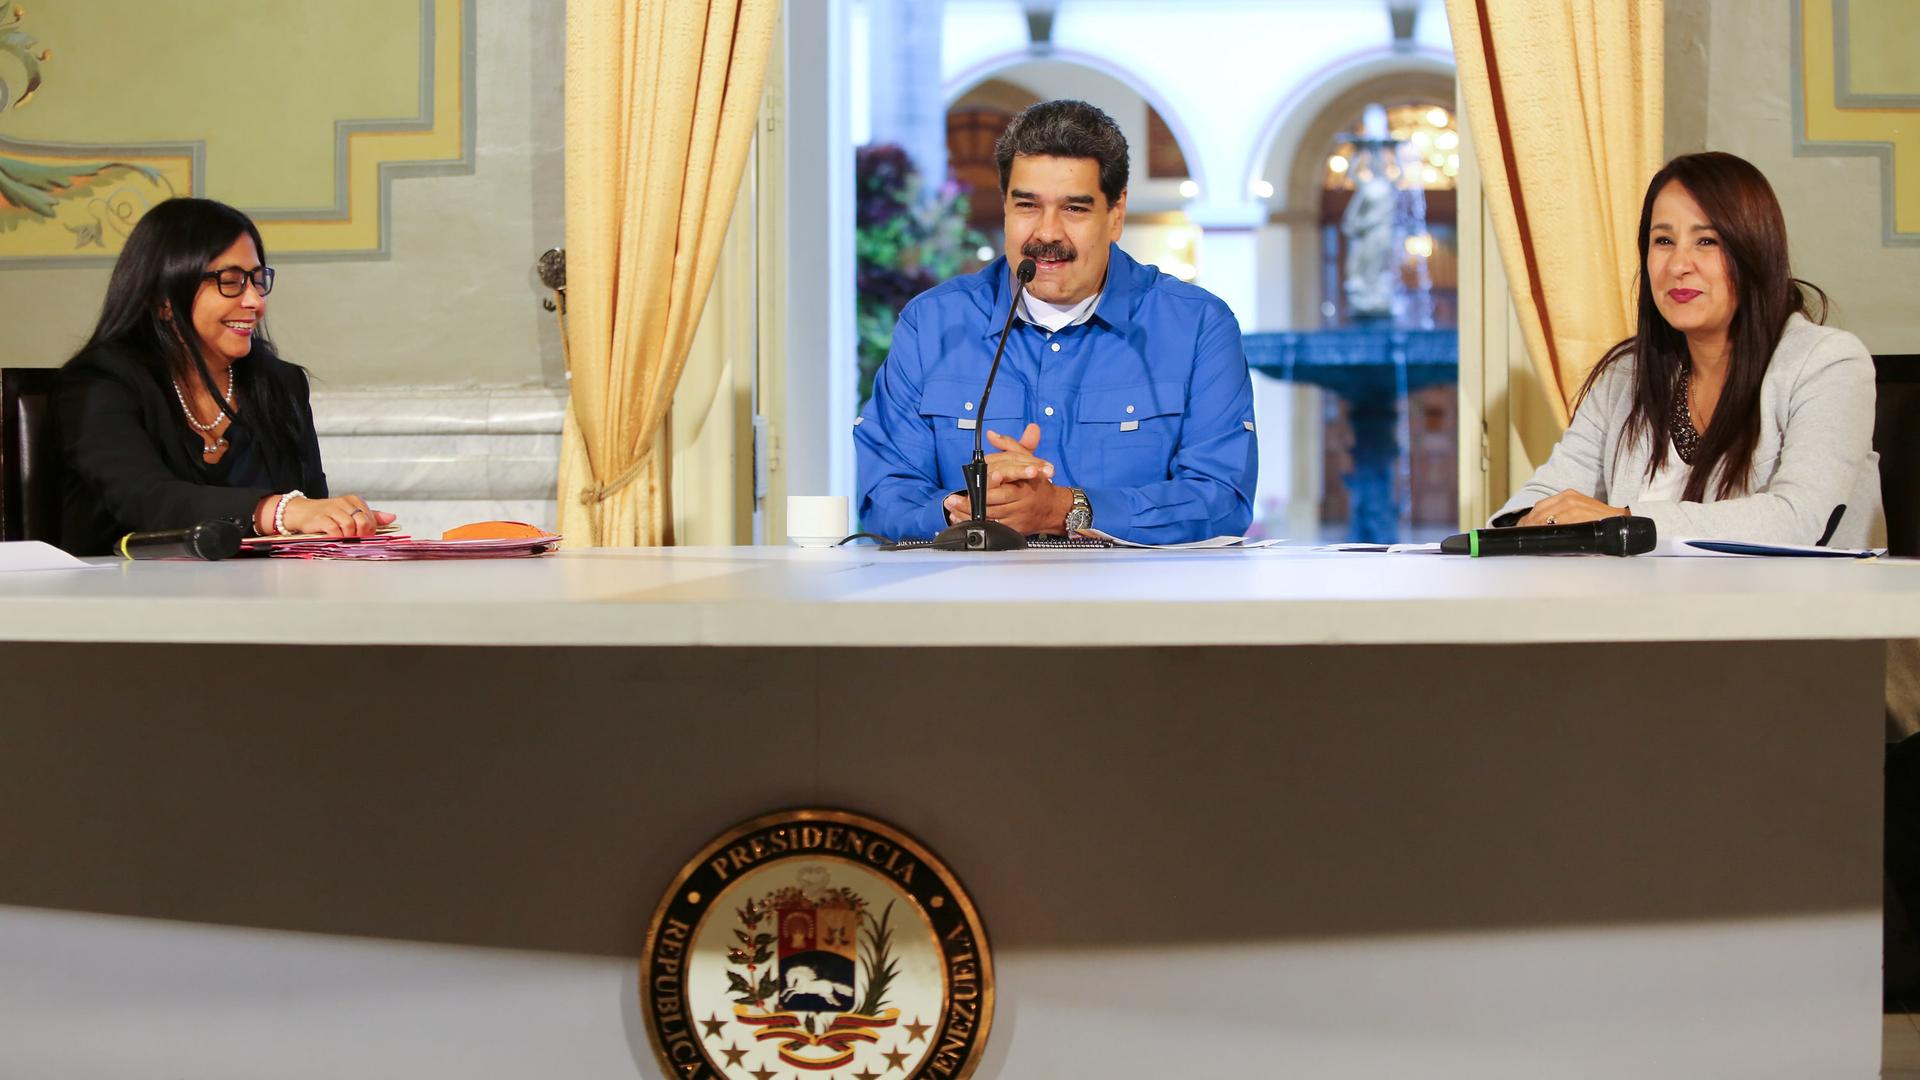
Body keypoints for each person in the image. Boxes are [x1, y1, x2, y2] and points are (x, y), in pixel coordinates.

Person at [855, 99, 1257, 544]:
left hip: (1138, 606)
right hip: (968, 606)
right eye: (1027, 206)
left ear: (1116, 214)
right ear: (1006, 206)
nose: (1047, 233)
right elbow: (883, 496)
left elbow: (1222, 499)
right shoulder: (931, 325)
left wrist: (1065, 509)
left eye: (1074, 209)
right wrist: (965, 511)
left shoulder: (1198, 326)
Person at [1495, 151, 1879, 547]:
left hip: (1795, 606)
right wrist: (1527, 524)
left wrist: (1624, 520)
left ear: (1753, 252)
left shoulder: (1828, 363)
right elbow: (1543, 496)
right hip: (1640, 606)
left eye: (1707, 241)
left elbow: (1799, 518)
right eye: (1663, 241)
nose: (1678, 264)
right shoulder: (1626, 373)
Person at [57, 197, 393, 555]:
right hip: (121, 599)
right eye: (230, 282)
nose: (254, 302)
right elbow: (145, 499)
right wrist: (278, 510)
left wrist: (340, 522)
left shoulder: (281, 385)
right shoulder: (101, 382)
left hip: (263, 599)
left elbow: (307, 525)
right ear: (163, 299)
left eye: (257, 280)